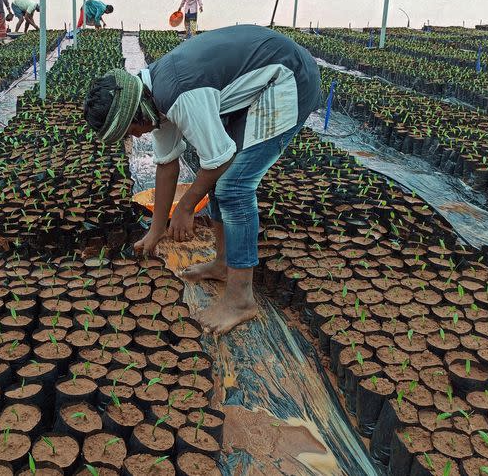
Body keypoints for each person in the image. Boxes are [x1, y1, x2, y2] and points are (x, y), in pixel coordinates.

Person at [82, 25, 321, 335]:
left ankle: (240, 299)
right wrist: (155, 233)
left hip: (287, 79)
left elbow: (220, 159)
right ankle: (223, 264)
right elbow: (167, 166)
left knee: (235, 186)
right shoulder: (151, 97)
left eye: (130, 131)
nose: (137, 136)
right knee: (223, 180)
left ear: (136, 115)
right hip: (258, 83)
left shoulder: (179, 95)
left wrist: (186, 207)